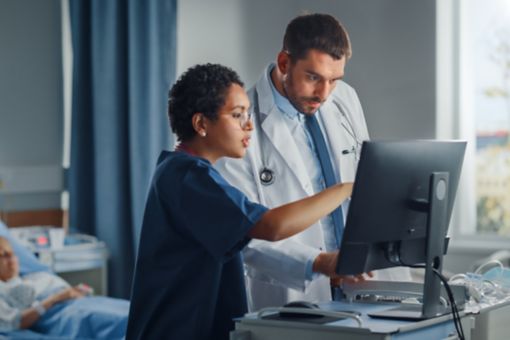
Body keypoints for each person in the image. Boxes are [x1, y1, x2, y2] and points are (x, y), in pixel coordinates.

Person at [126, 63, 364, 340]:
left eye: (248, 114)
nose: (249, 125)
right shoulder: (187, 177)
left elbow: (248, 241)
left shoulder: (188, 173)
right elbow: (271, 226)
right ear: (201, 124)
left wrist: (320, 261)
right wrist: (346, 188)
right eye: (237, 115)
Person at [215, 13, 412, 311]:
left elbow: (365, 185)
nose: (324, 93)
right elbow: (244, 237)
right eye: (313, 77)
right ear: (284, 63)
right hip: (296, 287)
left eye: (334, 79)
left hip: (360, 282)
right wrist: (319, 263)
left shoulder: (344, 98)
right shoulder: (241, 122)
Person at [0, 236, 87, 331]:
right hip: (62, 316)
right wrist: (56, 298)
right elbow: (16, 322)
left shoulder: (36, 277)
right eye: (3, 255)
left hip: (80, 306)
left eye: (12, 253)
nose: (11, 258)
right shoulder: (3, 290)